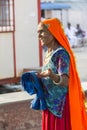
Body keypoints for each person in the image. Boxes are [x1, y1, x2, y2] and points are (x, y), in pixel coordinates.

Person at [37, 18, 87, 130]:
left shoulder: (61, 54)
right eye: (38, 32)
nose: (39, 35)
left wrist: (50, 75)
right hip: (50, 104)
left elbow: (65, 81)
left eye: (42, 31)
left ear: (52, 32)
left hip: (60, 107)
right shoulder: (49, 52)